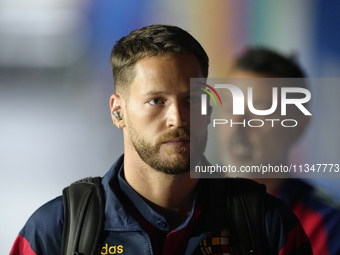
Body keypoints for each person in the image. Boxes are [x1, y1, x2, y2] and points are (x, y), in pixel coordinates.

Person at [10, 25, 313, 255]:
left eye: (191, 100)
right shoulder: (56, 232)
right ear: (118, 112)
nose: (178, 119)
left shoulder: (268, 226)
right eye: (156, 101)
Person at [220, 47, 340, 255]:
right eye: (230, 107)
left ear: (298, 127)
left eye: (260, 110)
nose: (237, 125)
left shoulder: (326, 225)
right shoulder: (180, 205)